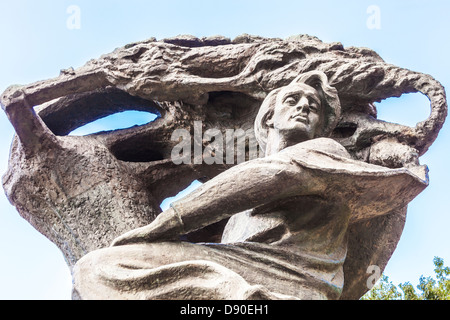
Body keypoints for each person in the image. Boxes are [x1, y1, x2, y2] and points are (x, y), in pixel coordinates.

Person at [72, 71, 427, 300]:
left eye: (313, 106)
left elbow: (271, 175)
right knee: (92, 278)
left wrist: (158, 227)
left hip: (289, 282)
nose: (304, 106)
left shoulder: (323, 151)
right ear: (269, 116)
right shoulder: (237, 221)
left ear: (321, 126)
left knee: (101, 265)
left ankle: (244, 298)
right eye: (293, 100)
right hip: (244, 268)